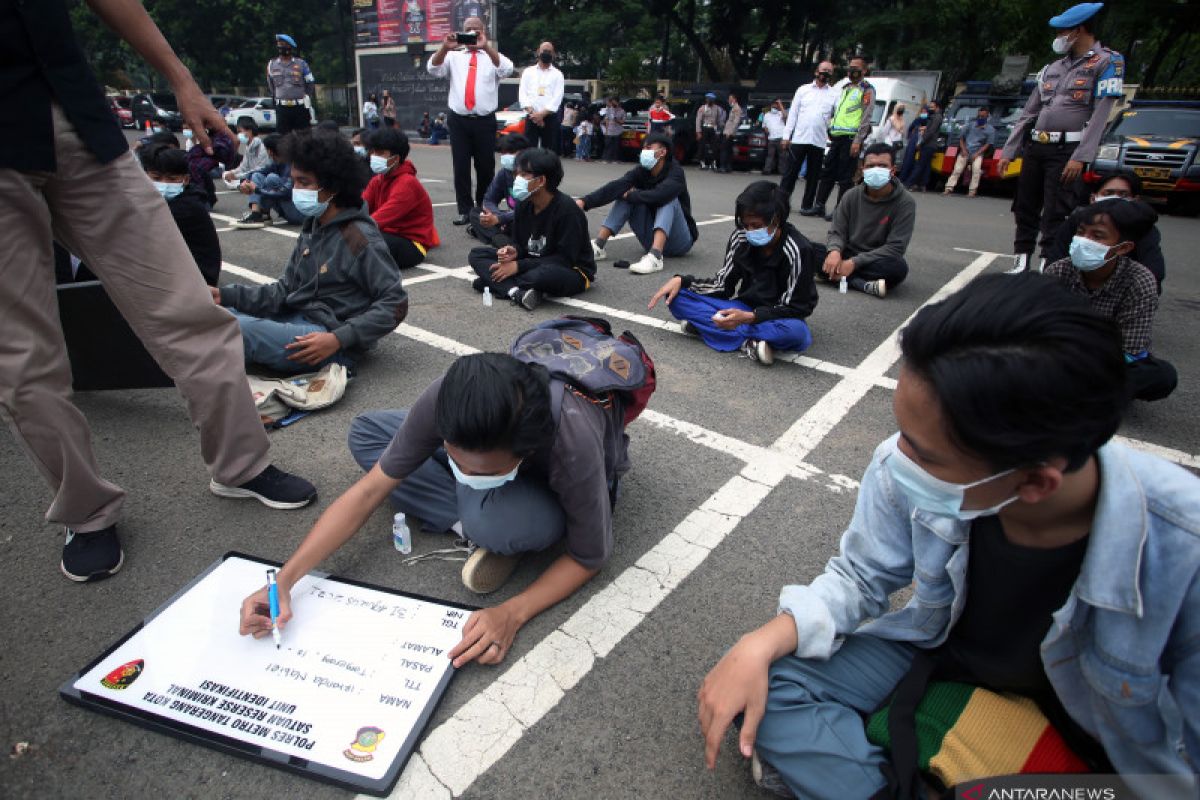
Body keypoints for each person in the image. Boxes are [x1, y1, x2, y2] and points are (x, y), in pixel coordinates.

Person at [698, 271, 1200, 800]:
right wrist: (761, 643)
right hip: (943, 647)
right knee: (764, 689)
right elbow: (862, 574)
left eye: (926, 454)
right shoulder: (911, 463)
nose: (896, 455)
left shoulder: (1182, 549)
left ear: (1033, 481)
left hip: (1093, 724)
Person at [2, 0, 317, 583]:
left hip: (77, 115)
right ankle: (87, 512)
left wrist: (183, 82)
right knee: (26, 359)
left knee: (189, 306)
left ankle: (240, 464)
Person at [240, 348, 636, 667]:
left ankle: (492, 525)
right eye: (454, 457)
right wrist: (285, 581)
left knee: (499, 522)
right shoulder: (449, 394)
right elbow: (368, 491)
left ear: (525, 452)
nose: (462, 472)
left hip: (550, 477)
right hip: (497, 450)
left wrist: (512, 613)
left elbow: (589, 556)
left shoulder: (573, 444)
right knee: (366, 433)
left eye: (482, 469)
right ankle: (481, 519)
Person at [215, 130, 408, 374]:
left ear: (333, 185)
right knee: (214, 315)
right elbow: (284, 290)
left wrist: (339, 338)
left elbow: (395, 302)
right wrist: (225, 296)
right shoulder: (315, 224)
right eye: (294, 180)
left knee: (234, 330)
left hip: (325, 339)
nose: (295, 189)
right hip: (295, 318)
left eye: (304, 182)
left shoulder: (360, 238)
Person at [997, 2, 1125, 274]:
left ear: (1078, 31)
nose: (1058, 38)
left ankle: (1048, 263)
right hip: (1037, 145)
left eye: (1062, 32)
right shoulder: (1052, 68)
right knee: (1025, 205)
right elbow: (1028, 113)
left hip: (1068, 147)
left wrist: (1081, 156)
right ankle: (1021, 260)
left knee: (1057, 208)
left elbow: (1101, 114)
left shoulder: (1106, 62)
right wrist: (1009, 150)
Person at [647, 181, 817, 367]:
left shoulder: (798, 249)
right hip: (742, 306)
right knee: (676, 298)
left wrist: (750, 317)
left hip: (778, 316)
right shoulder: (741, 237)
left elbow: (797, 307)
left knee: (798, 335)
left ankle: (711, 329)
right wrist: (682, 281)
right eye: (746, 224)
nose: (749, 231)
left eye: (756, 225)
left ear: (776, 220)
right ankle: (749, 342)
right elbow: (723, 285)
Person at [1044, 200, 1176, 401]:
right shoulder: (1060, 270)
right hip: (1060, 351)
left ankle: (1072, 389)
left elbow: (1130, 348)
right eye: (1081, 232)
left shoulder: (1139, 281)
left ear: (1123, 248)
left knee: (1162, 375)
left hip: (1106, 360)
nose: (1084, 240)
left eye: (1097, 236)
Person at [468, 148, 594, 311]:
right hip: (532, 261)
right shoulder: (524, 204)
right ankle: (515, 292)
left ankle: (497, 283)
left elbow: (565, 259)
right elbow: (521, 245)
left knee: (539, 277)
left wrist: (518, 266)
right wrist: (513, 251)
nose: (517, 179)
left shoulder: (568, 211)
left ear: (541, 180)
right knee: (477, 255)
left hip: (571, 270)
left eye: (523, 175)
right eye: (516, 174)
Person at [428, 18, 513, 226]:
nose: (472, 33)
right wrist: (444, 48)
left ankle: (484, 207)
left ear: (484, 32)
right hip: (459, 120)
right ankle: (465, 210)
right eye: (468, 30)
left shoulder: (492, 57)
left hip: (484, 120)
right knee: (461, 166)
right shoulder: (454, 56)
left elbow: (507, 70)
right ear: (461, 33)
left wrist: (486, 47)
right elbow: (433, 68)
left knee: (485, 166)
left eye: (477, 30)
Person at [578, 133, 699, 275]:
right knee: (624, 193)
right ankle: (598, 246)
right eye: (643, 148)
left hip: (679, 242)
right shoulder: (642, 171)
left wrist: (632, 195)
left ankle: (655, 257)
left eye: (648, 148)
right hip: (649, 239)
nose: (644, 152)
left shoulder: (675, 172)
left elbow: (660, 195)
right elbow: (616, 186)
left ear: (662, 152)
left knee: (667, 198)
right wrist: (584, 202)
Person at [816, 143, 916, 298]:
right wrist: (835, 252)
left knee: (898, 268)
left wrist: (854, 263)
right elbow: (837, 232)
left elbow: (896, 247)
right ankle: (862, 285)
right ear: (862, 170)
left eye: (882, 165)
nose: (875, 169)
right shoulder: (851, 195)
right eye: (870, 166)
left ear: (893, 170)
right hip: (847, 252)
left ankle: (831, 275)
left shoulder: (905, 202)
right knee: (806, 250)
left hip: (876, 259)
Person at [1044, 173, 1165, 290]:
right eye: (1109, 193)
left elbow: (1154, 273)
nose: (1115, 199)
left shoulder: (1140, 282)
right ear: (1093, 198)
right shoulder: (1059, 268)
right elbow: (1054, 259)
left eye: (1123, 195)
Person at [137, 143, 221, 286]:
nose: (164, 184)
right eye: (156, 178)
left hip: (195, 282)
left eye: (172, 179)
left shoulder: (186, 207)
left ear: (185, 180)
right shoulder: (172, 201)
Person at [810, 55, 875, 220]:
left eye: (856, 68)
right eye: (850, 67)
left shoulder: (866, 89)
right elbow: (838, 112)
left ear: (864, 70)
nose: (852, 70)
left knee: (845, 178)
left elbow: (866, 117)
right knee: (828, 172)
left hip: (851, 138)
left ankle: (841, 210)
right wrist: (831, 130)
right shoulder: (845, 88)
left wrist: (858, 141)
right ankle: (819, 205)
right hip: (837, 137)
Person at [363, 127, 437, 270]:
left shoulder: (407, 183)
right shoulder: (378, 180)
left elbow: (378, 219)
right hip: (387, 234)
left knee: (363, 241)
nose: (373, 156)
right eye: (373, 151)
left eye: (380, 153)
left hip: (412, 245)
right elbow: (360, 207)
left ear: (396, 158)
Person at [781, 61, 838, 214]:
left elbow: (836, 117)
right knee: (790, 173)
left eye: (829, 71)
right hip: (800, 138)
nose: (825, 73)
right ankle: (781, 202)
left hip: (818, 141)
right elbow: (793, 114)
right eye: (823, 70)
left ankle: (807, 206)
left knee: (813, 176)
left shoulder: (834, 94)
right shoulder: (803, 90)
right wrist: (786, 136)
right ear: (816, 72)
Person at [233, 134, 304, 229]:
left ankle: (261, 214)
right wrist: (245, 182)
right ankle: (258, 214)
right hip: (287, 207)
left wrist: (257, 190)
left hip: (298, 214)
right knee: (256, 176)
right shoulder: (277, 162)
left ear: (270, 151)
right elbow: (260, 171)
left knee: (271, 178)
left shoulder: (292, 165)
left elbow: (285, 192)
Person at [469, 133, 528, 245]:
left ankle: (493, 235)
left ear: (524, 152)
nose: (505, 157)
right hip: (508, 217)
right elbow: (489, 199)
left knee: (520, 223)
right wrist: (495, 216)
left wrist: (500, 219)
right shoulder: (504, 173)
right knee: (475, 213)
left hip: (525, 218)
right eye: (503, 153)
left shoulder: (532, 174)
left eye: (510, 153)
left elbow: (531, 210)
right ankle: (499, 237)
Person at [518, 42, 563, 153]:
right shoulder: (528, 72)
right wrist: (535, 115)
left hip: (550, 118)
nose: (546, 53)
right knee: (528, 151)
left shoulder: (558, 75)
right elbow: (522, 94)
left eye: (549, 51)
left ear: (553, 54)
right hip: (531, 116)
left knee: (549, 152)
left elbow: (557, 98)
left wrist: (542, 115)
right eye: (544, 51)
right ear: (538, 52)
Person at [943, 106, 995, 197]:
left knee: (976, 170)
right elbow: (961, 138)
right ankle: (948, 188)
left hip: (978, 153)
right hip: (965, 151)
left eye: (983, 117)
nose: (980, 118)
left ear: (987, 117)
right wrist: (963, 149)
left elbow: (988, 144)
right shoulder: (970, 125)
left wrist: (977, 154)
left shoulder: (990, 130)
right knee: (957, 169)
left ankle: (972, 191)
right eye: (979, 116)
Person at [267, 34, 314, 135]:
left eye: (284, 45)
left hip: (299, 107)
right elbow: (271, 84)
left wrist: (306, 96)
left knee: (304, 137)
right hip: (282, 108)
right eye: (279, 45)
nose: (281, 47)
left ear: (290, 47)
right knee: (282, 138)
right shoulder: (272, 64)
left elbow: (310, 82)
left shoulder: (301, 64)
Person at [899, 100, 942, 192]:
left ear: (937, 107)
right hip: (928, 144)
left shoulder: (936, 117)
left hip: (928, 144)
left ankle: (908, 183)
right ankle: (922, 184)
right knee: (925, 165)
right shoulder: (933, 117)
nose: (930, 108)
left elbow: (930, 131)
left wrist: (921, 142)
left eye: (932, 107)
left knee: (920, 165)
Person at [695, 92, 726, 171]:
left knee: (715, 146)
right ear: (706, 100)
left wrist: (722, 127)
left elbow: (719, 120)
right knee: (702, 146)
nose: (709, 101)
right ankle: (702, 162)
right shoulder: (702, 108)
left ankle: (714, 162)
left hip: (713, 129)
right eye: (708, 99)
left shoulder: (717, 108)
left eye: (711, 99)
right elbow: (698, 120)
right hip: (705, 128)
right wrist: (698, 131)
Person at [716, 92, 744, 174]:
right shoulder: (733, 108)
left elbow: (736, 122)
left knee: (724, 149)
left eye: (730, 99)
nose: (729, 100)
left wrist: (730, 132)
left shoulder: (737, 108)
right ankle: (728, 166)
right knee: (728, 149)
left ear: (734, 99)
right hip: (727, 130)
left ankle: (723, 166)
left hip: (729, 132)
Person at [761, 99, 788, 175]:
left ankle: (782, 171)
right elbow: (764, 126)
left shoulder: (781, 113)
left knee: (782, 156)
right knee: (770, 156)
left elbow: (786, 116)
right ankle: (767, 170)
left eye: (776, 105)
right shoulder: (766, 115)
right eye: (773, 104)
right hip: (771, 138)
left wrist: (780, 104)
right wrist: (767, 131)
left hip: (781, 137)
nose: (774, 106)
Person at [600, 96, 626, 164]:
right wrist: (606, 130)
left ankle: (615, 159)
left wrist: (616, 120)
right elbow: (606, 120)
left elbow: (623, 121)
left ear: (617, 102)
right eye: (612, 102)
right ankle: (606, 159)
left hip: (617, 131)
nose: (612, 103)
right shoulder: (608, 110)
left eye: (614, 102)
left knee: (616, 146)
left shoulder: (622, 111)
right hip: (609, 131)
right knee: (608, 145)